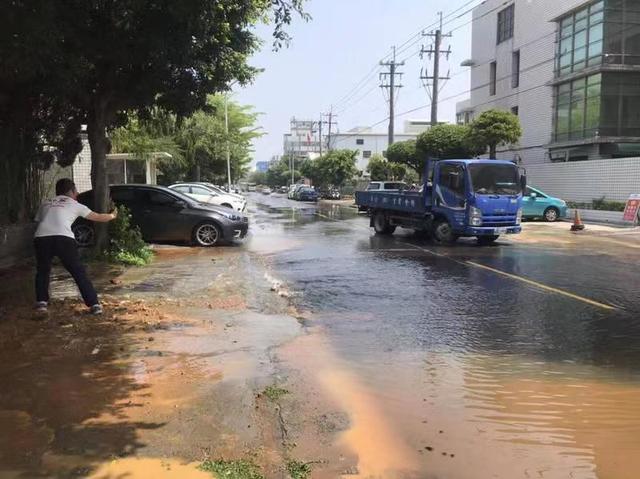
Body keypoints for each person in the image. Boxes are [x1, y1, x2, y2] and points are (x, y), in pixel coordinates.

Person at [33, 178, 117, 316]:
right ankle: (94, 305)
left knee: (42, 270)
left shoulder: (46, 203)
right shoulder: (75, 204)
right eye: (76, 191)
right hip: (64, 238)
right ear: (71, 191)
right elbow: (98, 217)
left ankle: (41, 303)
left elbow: (39, 220)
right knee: (78, 272)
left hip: (41, 238)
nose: (77, 194)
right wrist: (112, 215)